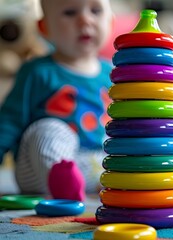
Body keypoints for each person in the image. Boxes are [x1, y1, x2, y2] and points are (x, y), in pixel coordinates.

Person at [0, 0, 114, 201]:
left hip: (97, 166)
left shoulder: (115, 75)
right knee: (49, 129)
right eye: (70, 12)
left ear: (110, 22)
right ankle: (62, 181)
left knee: (123, 141)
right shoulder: (37, 72)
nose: (85, 19)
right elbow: (8, 121)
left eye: (96, 10)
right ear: (44, 28)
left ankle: (167, 178)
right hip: (40, 168)